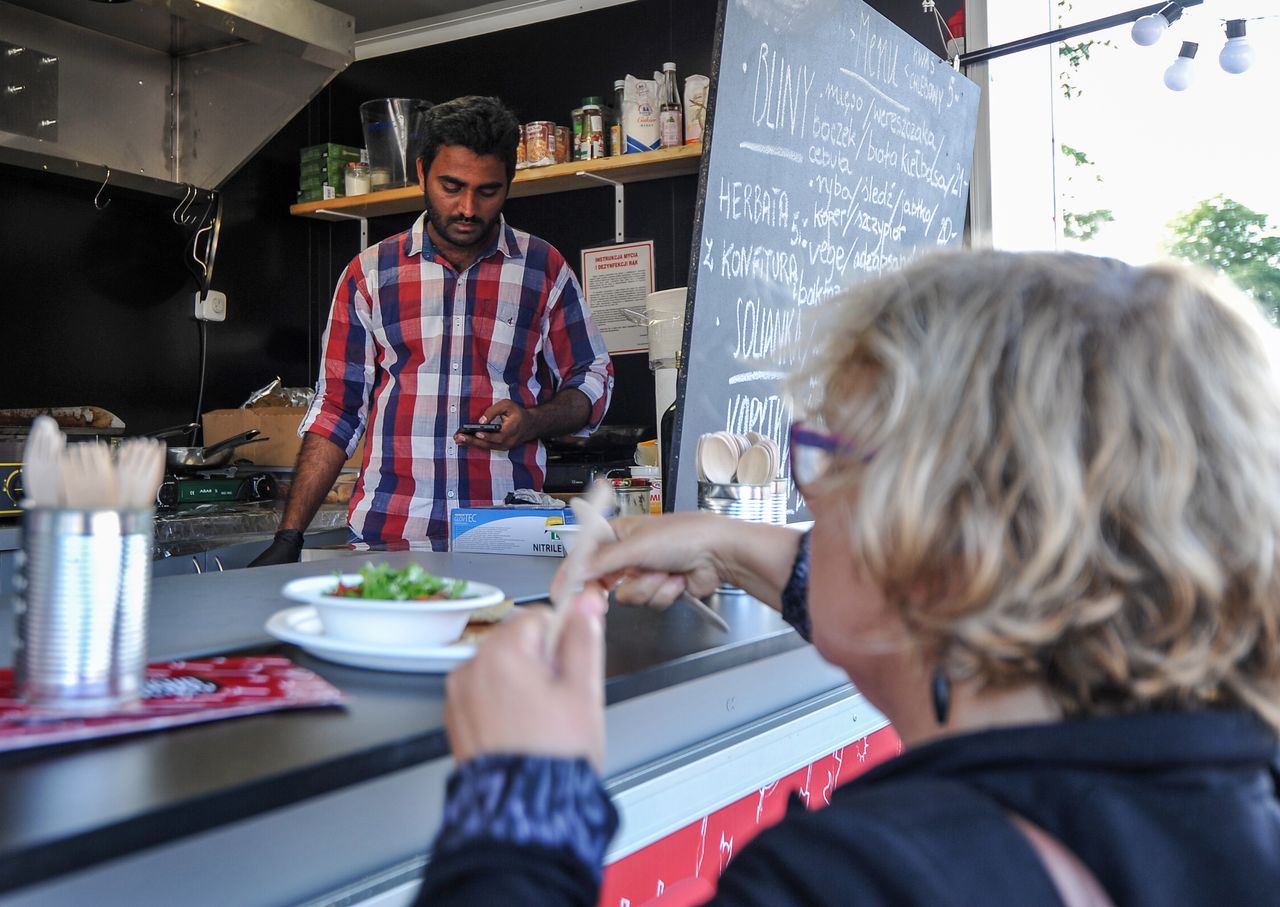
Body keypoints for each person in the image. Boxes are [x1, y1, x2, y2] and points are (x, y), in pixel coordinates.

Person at [418, 250, 1280, 905]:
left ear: (938, 538)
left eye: (828, 455)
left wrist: (520, 800)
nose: (810, 495)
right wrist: (730, 545)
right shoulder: (1234, 798)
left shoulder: (857, 879)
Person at [251, 96, 613, 561]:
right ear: (422, 172)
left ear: (509, 182)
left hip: (509, 537)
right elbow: (338, 409)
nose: (468, 208)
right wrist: (290, 536)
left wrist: (533, 421)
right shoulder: (370, 274)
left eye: (488, 191)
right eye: (451, 186)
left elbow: (593, 376)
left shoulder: (543, 268)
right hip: (389, 534)